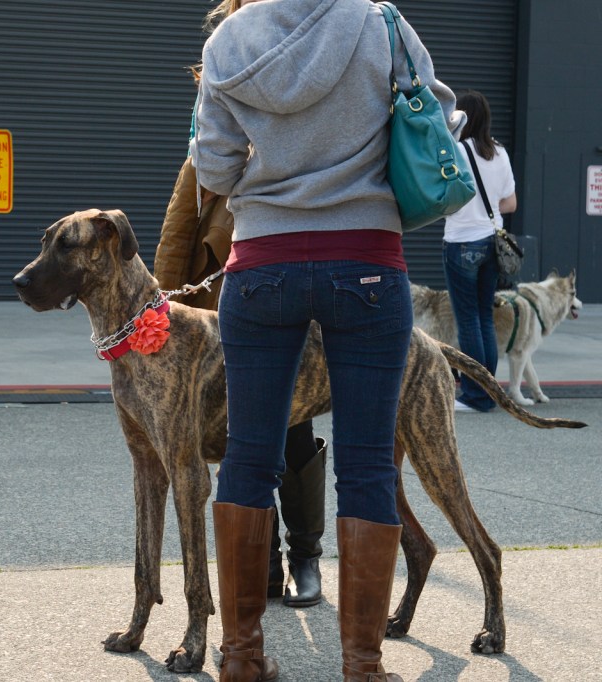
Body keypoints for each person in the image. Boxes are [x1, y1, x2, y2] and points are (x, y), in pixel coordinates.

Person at [191, 1, 460, 680]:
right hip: (367, 259)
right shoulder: (382, 25)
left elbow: (213, 170)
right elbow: (439, 118)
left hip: (261, 265)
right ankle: (362, 667)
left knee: (248, 459)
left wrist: (275, 170)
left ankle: (242, 658)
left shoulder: (229, 39)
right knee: (367, 467)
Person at [153, 0, 327, 611]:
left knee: (296, 424)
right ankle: (263, 561)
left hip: (296, 277)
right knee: (241, 436)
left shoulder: (308, 88)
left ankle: (306, 556)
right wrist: (160, 311)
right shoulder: (213, 108)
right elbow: (182, 219)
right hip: (222, 305)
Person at [444, 90, 518, 413]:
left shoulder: (456, 150)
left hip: (461, 240)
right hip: (492, 242)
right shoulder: (499, 152)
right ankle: (488, 392)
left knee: (468, 319)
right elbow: (511, 203)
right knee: (484, 316)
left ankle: (475, 395)